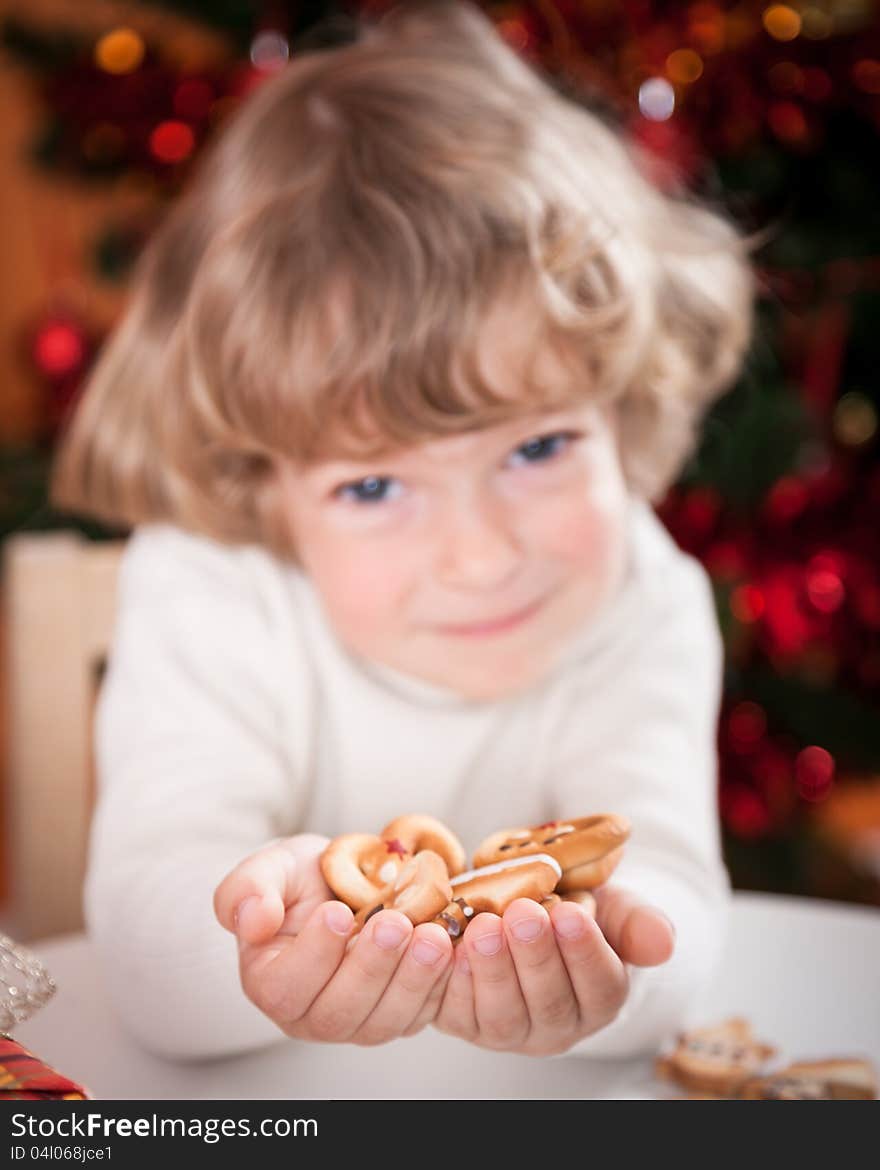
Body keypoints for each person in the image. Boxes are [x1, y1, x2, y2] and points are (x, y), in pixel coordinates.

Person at [50, 0, 757, 1066]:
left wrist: (613, 959)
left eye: (535, 450)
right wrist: (258, 947)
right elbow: (145, 959)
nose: (479, 558)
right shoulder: (212, 589)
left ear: (624, 401)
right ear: (264, 481)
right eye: (374, 487)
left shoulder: (641, 602)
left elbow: (671, 894)